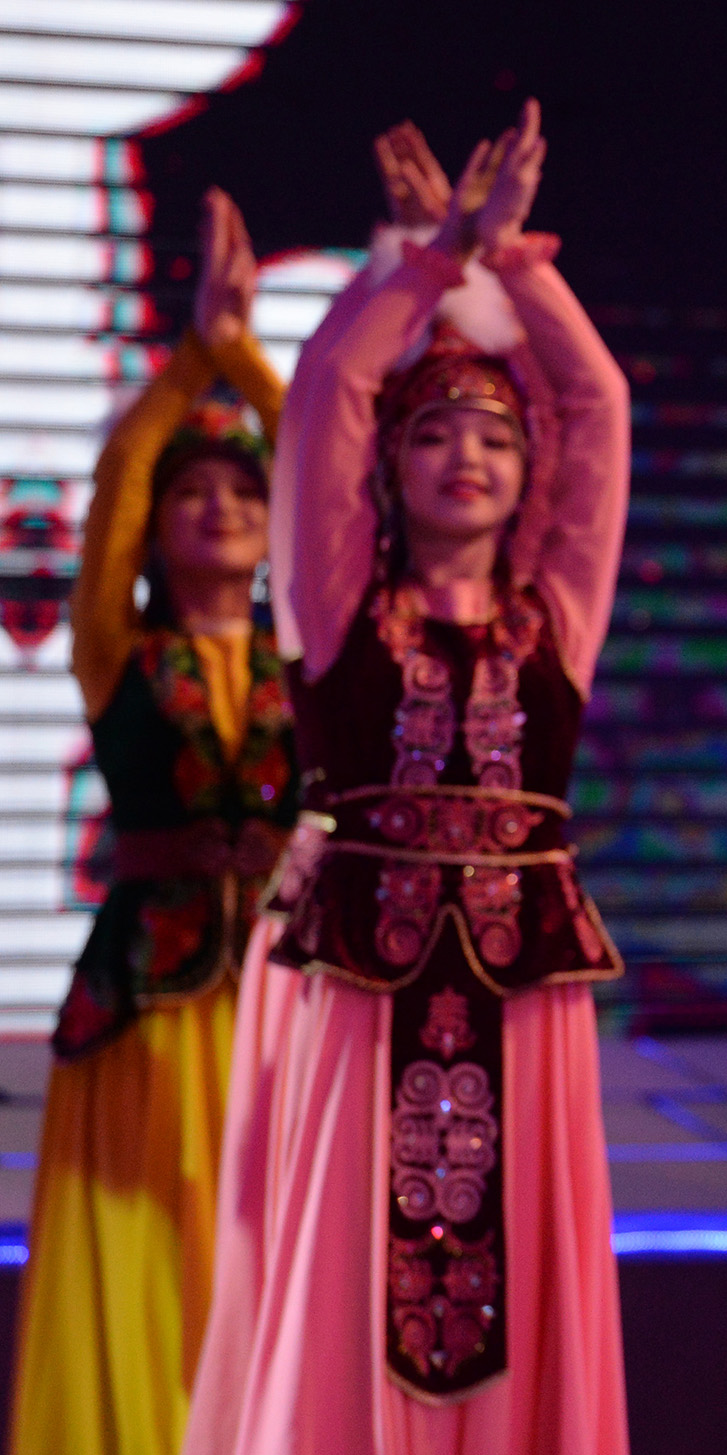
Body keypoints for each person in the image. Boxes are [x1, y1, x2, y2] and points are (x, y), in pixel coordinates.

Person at [183, 100, 633, 1454]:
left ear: (529, 470)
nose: (467, 457)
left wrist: (513, 261)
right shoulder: (337, 610)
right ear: (390, 466)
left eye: (494, 437)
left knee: (519, 1259)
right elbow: (328, 393)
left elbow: (598, 405)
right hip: (363, 980)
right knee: (347, 1253)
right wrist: (432, 263)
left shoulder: (556, 616)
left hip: (519, 976)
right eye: (435, 434)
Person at [10, 189, 293, 1455]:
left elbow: (347, 502)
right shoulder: (117, 652)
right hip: (144, 1009)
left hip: (282, 1003)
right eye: (195, 494)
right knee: (144, 1263)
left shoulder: (313, 660)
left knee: (267, 1257)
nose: (220, 508)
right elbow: (121, 479)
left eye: (246, 492)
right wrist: (190, 360)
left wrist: (247, 362)